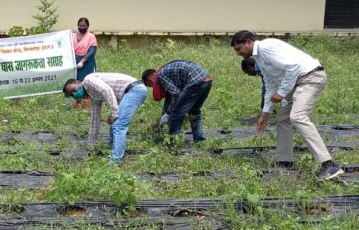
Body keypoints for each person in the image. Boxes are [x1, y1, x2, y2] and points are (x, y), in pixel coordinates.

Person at [231, 30, 343, 181]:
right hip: (296, 81)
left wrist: (282, 92)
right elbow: (270, 85)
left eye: (239, 49)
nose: (238, 53)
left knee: (297, 117)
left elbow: (294, 67)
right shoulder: (259, 58)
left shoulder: (266, 47)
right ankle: (285, 161)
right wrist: (265, 113)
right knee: (282, 118)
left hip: (310, 77)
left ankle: (328, 164)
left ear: (248, 42)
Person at [62, 73, 146, 164]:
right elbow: (95, 120)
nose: (75, 94)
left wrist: (114, 113)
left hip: (134, 90)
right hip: (128, 93)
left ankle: (115, 160)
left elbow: (107, 90)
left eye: (74, 89)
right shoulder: (93, 96)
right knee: (115, 126)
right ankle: (113, 149)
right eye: (72, 94)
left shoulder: (89, 80)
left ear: (78, 82)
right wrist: (91, 145)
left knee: (118, 126)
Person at [141, 60, 213, 143]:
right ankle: (199, 139)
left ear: (150, 79)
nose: (152, 86)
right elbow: (170, 98)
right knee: (194, 112)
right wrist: (164, 114)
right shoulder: (166, 70)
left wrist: (167, 114)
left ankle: (172, 142)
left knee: (176, 113)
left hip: (195, 81)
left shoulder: (160, 75)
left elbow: (176, 94)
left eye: (150, 85)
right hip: (207, 80)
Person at [72, 17, 98, 109]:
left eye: (84, 25)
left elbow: (92, 50)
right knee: (76, 83)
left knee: (87, 83)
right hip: (75, 63)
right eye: (80, 25)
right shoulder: (73, 36)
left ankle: (87, 106)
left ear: (87, 26)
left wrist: (83, 61)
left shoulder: (91, 36)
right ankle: (77, 104)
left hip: (87, 64)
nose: (82, 27)